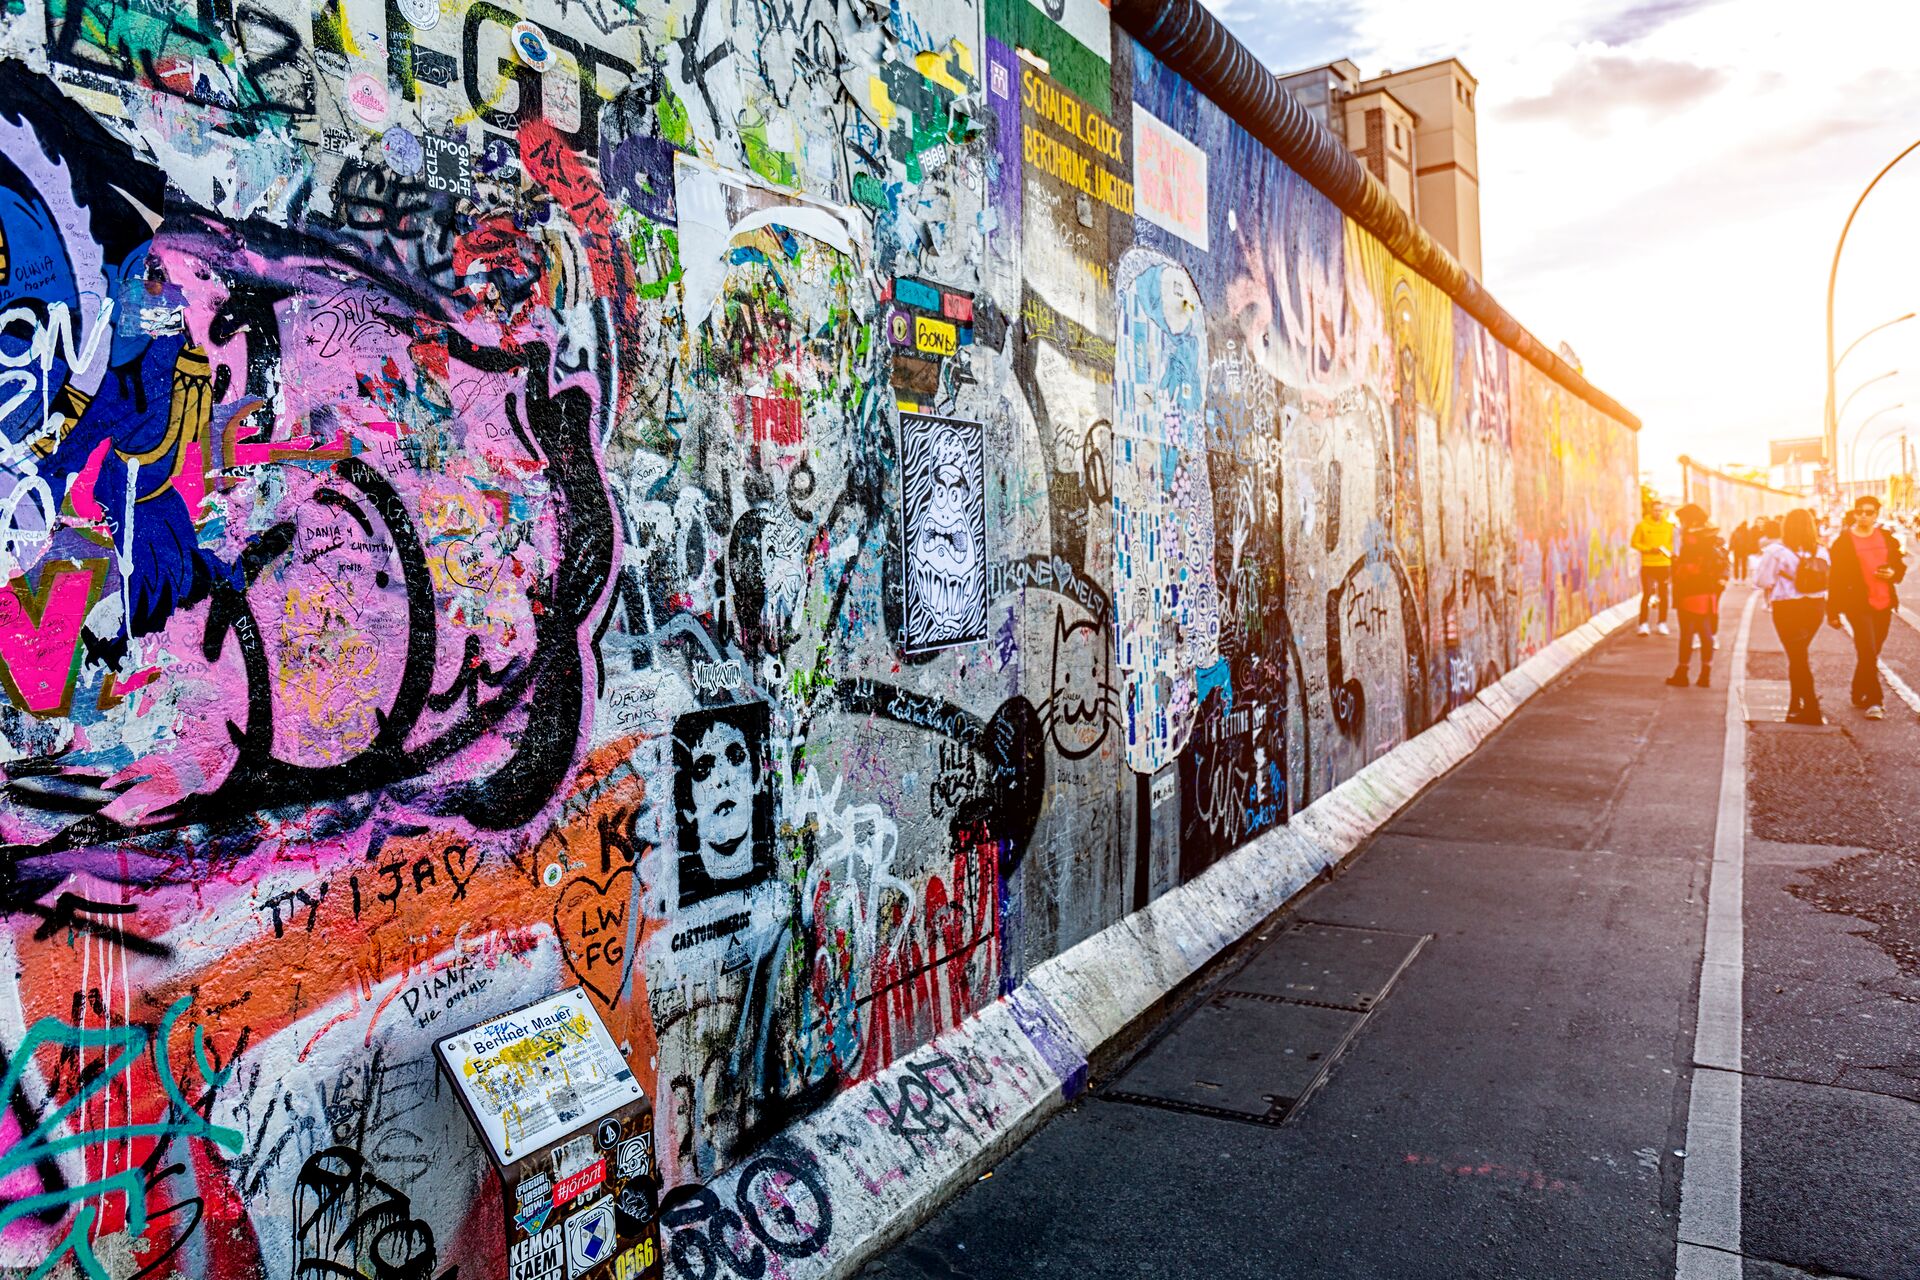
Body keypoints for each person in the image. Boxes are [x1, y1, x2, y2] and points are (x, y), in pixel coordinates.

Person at [1826, 494, 1907, 720]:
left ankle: (1857, 689)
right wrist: (1832, 611)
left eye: (1868, 512)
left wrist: (1892, 573)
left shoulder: (1887, 538)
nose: (1863, 516)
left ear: (1876, 514)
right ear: (1854, 513)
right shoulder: (1843, 542)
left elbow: (1899, 567)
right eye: (1859, 511)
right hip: (1857, 604)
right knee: (1868, 650)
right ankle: (1875, 701)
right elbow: (1835, 579)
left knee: (1871, 652)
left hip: (1884, 602)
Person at [1752, 508, 1830, 725]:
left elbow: (1761, 580)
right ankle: (1796, 705)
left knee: (1797, 657)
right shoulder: (1821, 551)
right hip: (1815, 607)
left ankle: (1811, 707)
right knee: (1799, 655)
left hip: (1788, 607)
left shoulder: (1775, 551)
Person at [1666, 504, 1729, 687]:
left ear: (1690, 520)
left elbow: (1688, 568)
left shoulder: (1692, 539)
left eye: (1682, 520)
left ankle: (1682, 673)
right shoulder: (1711, 537)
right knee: (1706, 632)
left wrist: (1675, 564)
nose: (1681, 523)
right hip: (1709, 592)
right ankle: (1705, 675)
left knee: (1687, 633)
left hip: (1690, 592)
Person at [1632, 499, 1674, 636]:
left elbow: (1672, 544)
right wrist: (1649, 549)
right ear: (1651, 510)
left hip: (1664, 565)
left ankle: (1662, 622)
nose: (1658, 513)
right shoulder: (1642, 525)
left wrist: (1670, 553)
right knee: (1647, 594)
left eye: (1660, 510)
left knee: (1664, 595)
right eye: (1656, 510)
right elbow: (1635, 543)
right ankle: (1643, 624)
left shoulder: (1669, 526)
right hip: (1648, 564)